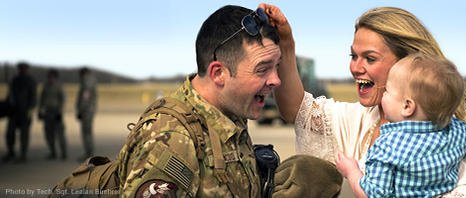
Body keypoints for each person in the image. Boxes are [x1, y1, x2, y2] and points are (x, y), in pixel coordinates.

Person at [261, 4, 466, 197]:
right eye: (353, 56)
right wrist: (286, 44)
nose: (355, 68)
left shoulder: (458, 152)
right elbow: (297, 109)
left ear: (408, 65)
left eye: (370, 59)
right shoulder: (362, 119)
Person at [115, 5, 342, 197]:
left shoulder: (228, 113)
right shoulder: (172, 139)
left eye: (276, 66)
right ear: (218, 73)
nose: (275, 80)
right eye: (262, 69)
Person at [336, 54, 466, 197]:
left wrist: (352, 172)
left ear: (407, 106)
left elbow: (372, 194)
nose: (383, 95)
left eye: (387, 91)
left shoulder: (387, 146)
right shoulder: (458, 130)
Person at [2, 62, 37, 163]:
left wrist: (30, 110)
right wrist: (7, 106)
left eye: (23, 69)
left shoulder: (30, 81)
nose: (21, 70)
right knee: (10, 133)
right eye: (20, 69)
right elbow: (10, 94)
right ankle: (11, 152)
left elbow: (33, 97)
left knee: (24, 135)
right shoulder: (15, 80)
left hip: (25, 112)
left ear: (26, 69)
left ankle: (23, 155)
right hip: (14, 112)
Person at [38, 69, 68, 160]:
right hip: (47, 112)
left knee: (60, 134)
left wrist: (60, 112)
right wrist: (40, 111)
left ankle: (63, 153)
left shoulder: (59, 86)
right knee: (48, 133)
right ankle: (53, 152)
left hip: (56, 112)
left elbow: (63, 100)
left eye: (52, 77)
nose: (50, 78)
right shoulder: (45, 86)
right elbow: (41, 100)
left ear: (55, 77)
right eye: (49, 77)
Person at [76, 67, 97, 161]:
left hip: (86, 111)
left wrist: (81, 110)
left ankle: (89, 154)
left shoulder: (87, 83)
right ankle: (89, 153)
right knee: (88, 133)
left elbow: (85, 98)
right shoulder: (90, 81)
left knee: (86, 133)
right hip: (89, 110)